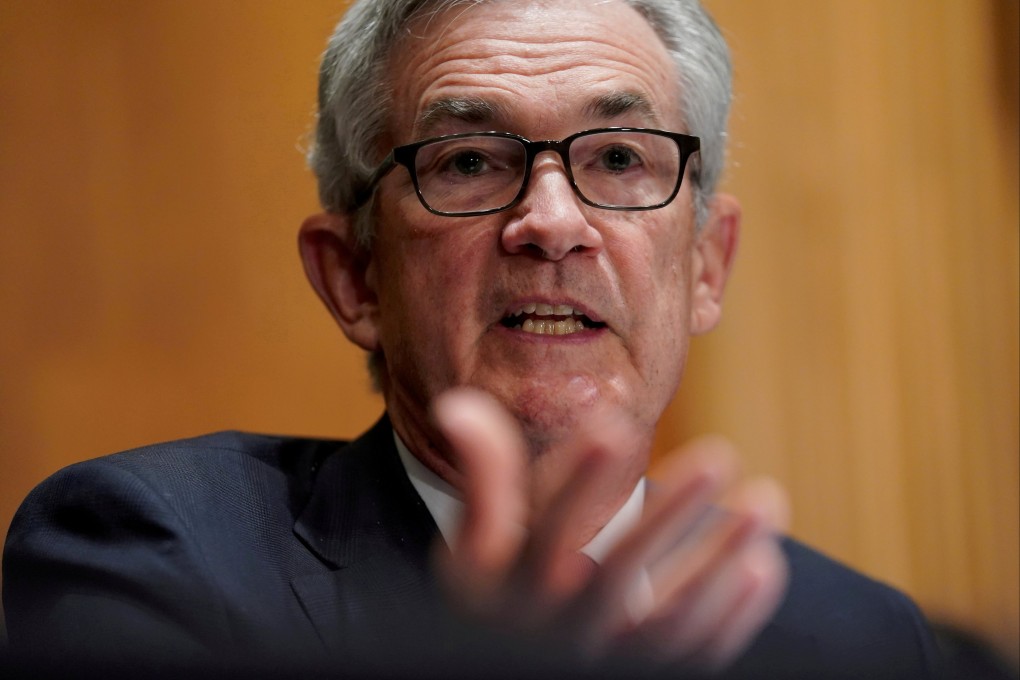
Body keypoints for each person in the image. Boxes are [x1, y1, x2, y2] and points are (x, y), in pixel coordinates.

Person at [3, 0, 940, 677]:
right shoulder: (152, 556)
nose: (552, 222)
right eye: (469, 162)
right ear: (354, 277)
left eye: (619, 157)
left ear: (705, 267)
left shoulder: (861, 641)